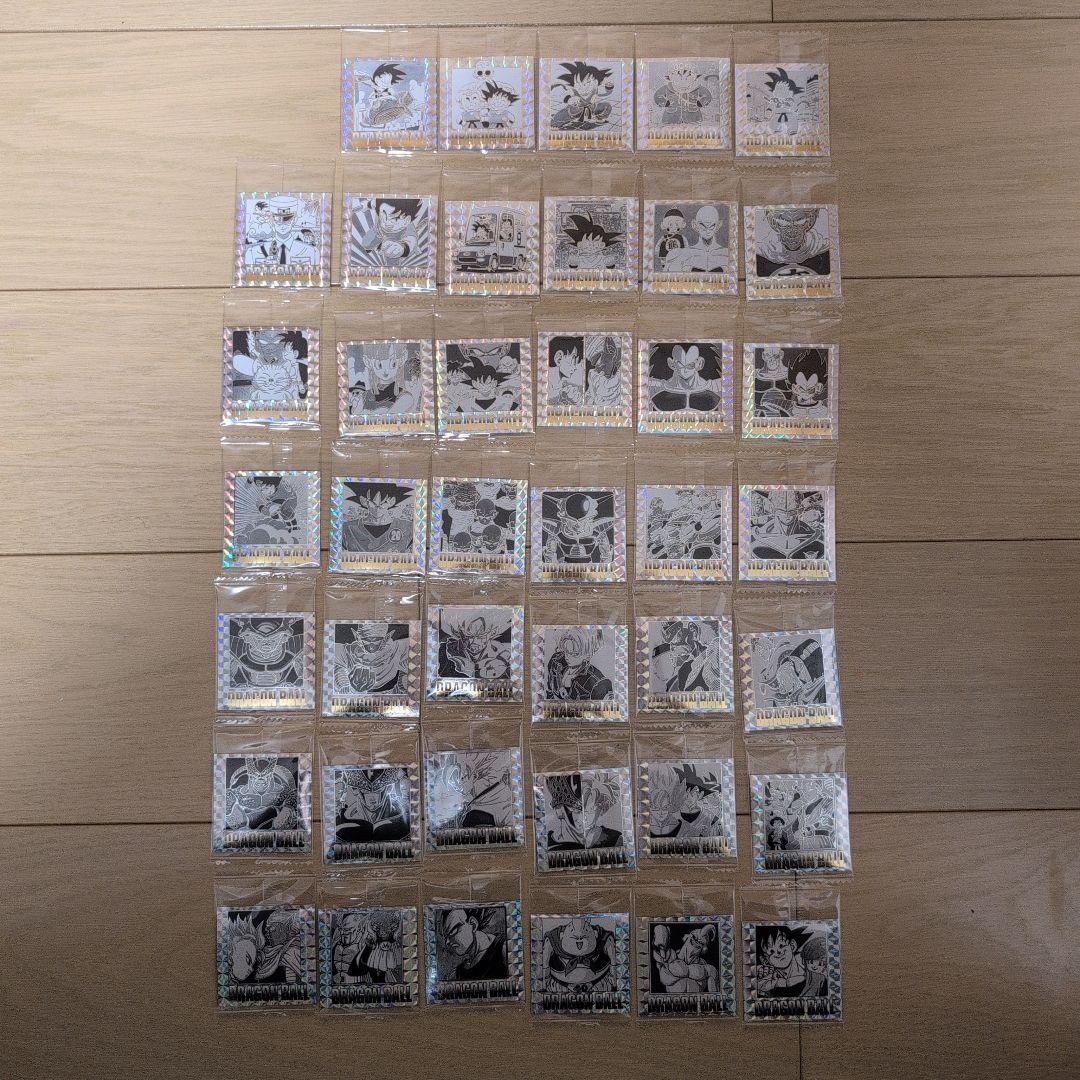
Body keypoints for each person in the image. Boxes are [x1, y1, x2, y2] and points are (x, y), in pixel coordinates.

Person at [439, 907, 508, 981]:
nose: (447, 942)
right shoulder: (458, 972)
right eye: (446, 937)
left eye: (453, 931)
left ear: (473, 924)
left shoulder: (504, 950)